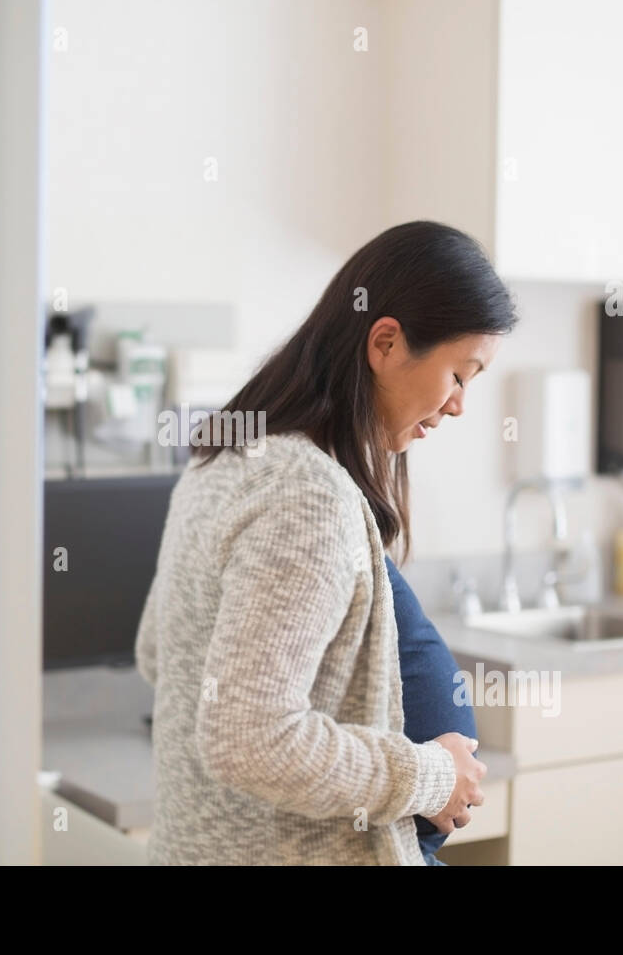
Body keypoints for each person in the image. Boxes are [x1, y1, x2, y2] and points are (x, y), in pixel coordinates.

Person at [135, 220, 516, 864]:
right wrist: (431, 775)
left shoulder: (229, 457)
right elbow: (248, 739)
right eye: (459, 374)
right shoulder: (305, 494)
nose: (458, 405)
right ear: (386, 343)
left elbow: (158, 652)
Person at [385, 555, 479, 865]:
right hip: (373, 846)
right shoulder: (324, 533)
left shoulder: (356, 537)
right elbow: (277, 736)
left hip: (401, 848)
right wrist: (433, 776)